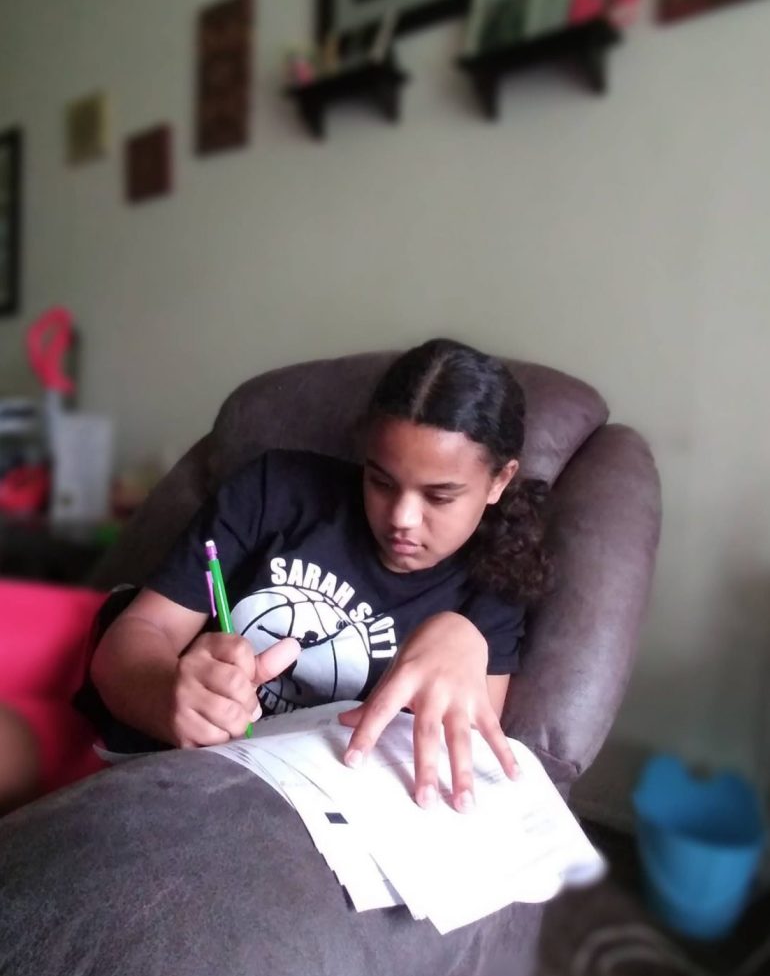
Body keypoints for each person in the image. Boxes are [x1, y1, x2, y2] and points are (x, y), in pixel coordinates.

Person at [82, 339, 552, 813]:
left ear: (499, 480)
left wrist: (459, 636)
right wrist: (168, 696)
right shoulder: (276, 491)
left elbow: (462, 765)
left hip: (309, 813)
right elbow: (138, 636)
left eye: (440, 497)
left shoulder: (495, 578)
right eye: (381, 482)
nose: (402, 518)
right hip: (168, 769)